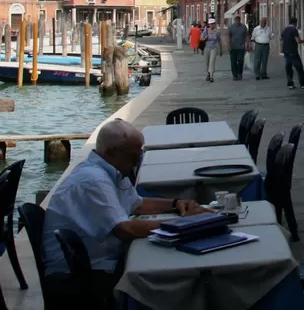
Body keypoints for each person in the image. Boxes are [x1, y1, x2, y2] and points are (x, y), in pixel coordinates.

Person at [42, 119, 208, 305]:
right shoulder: (93, 181)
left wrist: (177, 203)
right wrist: (184, 224)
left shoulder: (110, 170)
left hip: (94, 261)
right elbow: (125, 229)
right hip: (76, 275)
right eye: (134, 157)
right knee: (165, 281)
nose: (137, 163)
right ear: (112, 152)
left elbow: (136, 204)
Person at [281, 16, 304, 90]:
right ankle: (302, 84)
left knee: (289, 68)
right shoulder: (294, 30)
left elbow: (282, 39)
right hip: (293, 52)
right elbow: (298, 41)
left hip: (286, 52)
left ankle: (290, 84)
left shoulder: (285, 30)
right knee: (299, 68)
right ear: (295, 23)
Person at [227, 15, 249, 81]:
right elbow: (228, 37)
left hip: (241, 47)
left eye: (238, 20)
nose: (237, 21)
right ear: (234, 20)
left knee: (240, 61)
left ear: (240, 20)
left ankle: (239, 74)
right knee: (233, 62)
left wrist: (247, 44)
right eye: (236, 20)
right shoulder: (231, 27)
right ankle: (234, 75)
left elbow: (247, 36)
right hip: (233, 47)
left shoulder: (243, 27)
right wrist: (229, 45)